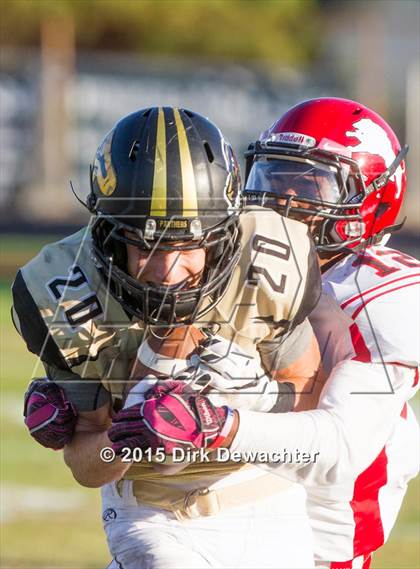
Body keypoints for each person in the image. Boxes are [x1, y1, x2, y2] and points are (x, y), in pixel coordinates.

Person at [13, 107, 324, 568]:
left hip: (268, 497)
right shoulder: (63, 291)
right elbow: (85, 465)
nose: (168, 270)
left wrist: (242, 409)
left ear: (223, 232)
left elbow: (310, 406)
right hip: (151, 509)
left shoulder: (270, 258)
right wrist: (128, 437)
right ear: (108, 234)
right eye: (145, 244)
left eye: (188, 243)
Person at [131, 98, 419, 569]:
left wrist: (223, 423)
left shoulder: (380, 290)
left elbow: (338, 451)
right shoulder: (235, 256)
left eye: (308, 185)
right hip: (206, 520)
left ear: (372, 199)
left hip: (317, 546)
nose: (280, 201)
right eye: (272, 177)